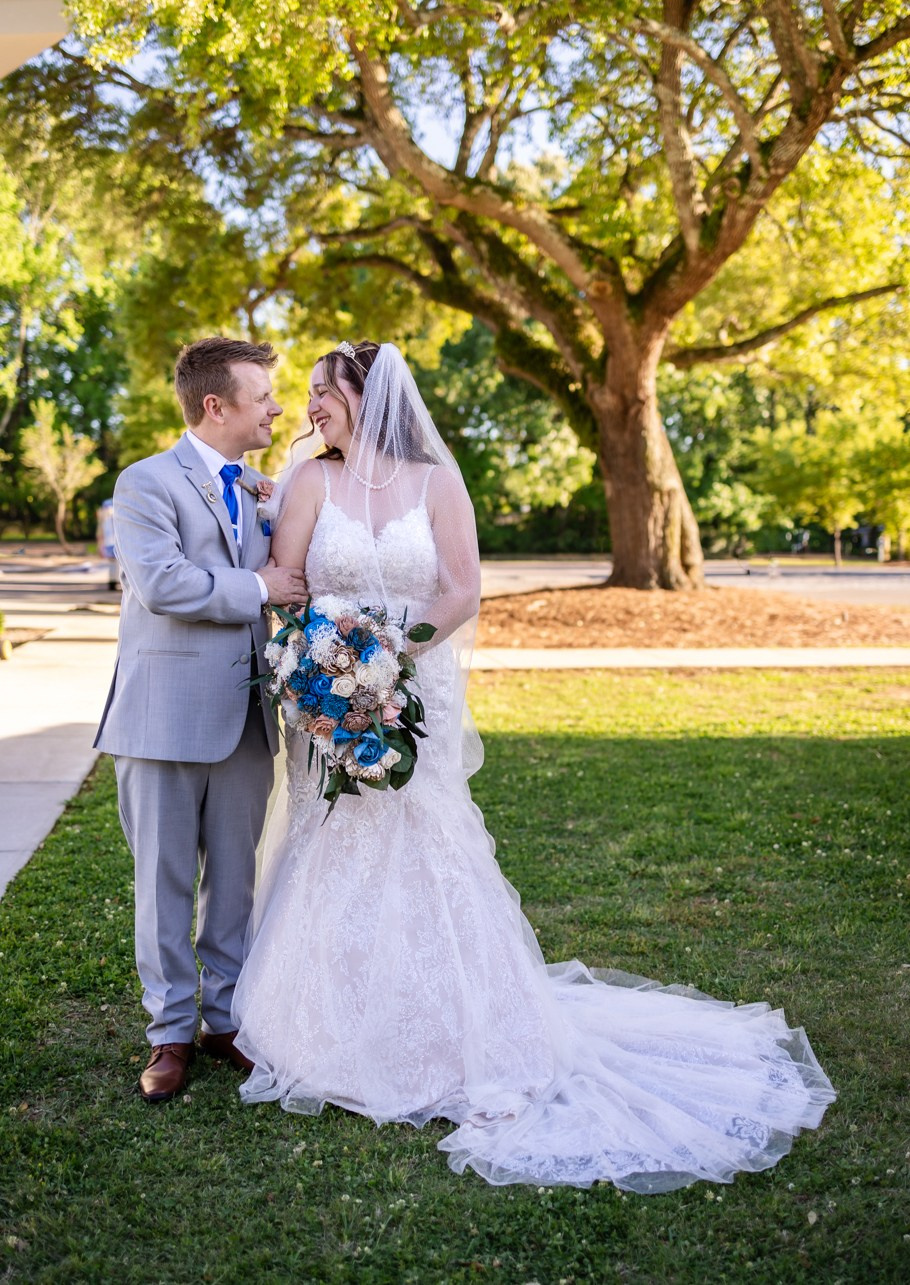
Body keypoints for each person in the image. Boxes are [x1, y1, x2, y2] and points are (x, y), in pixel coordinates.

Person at [231, 340, 836, 1191]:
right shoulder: (307, 482)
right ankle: (322, 1029)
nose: (308, 409)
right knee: (335, 838)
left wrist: (391, 660)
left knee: (428, 845)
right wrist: (327, 672)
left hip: (410, 691)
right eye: (305, 397)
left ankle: (458, 1030)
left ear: (364, 395)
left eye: (321, 392)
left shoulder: (437, 482)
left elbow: (460, 588)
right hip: (330, 701)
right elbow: (286, 579)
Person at [95, 337, 309, 1102]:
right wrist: (259, 585)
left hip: (248, 715)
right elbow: (163, 583)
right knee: (163, 884)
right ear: (215, 405)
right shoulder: (145, 482)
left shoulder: (263, 487)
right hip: (162, 717)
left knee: (235, 882)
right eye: (262, 395)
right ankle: (169, 1033)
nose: (276, 408)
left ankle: (225, 1018)